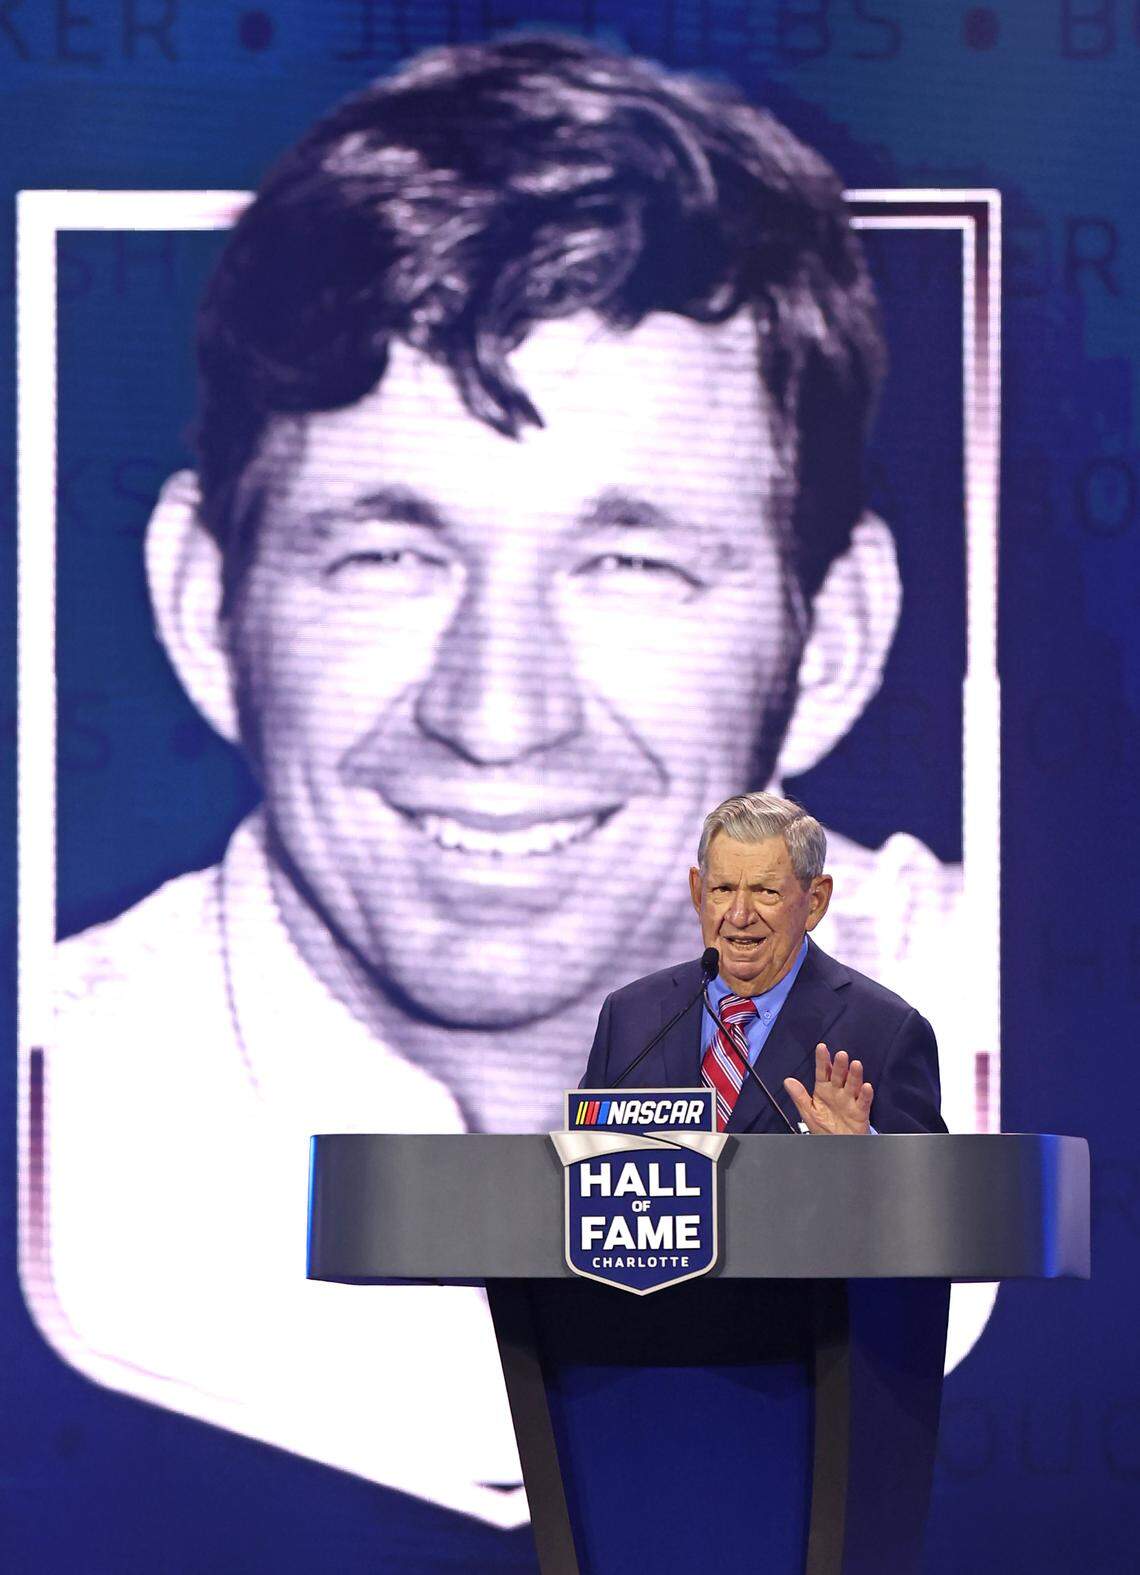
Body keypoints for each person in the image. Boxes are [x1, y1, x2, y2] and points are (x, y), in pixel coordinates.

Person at [33, 36, 976, 1528]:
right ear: (202, 606)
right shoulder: (47, 1117)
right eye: (389, 553)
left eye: (632, 563)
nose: (495, 715)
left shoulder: (1034, 1035)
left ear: (833, 643)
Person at [582, 792, 945, 1138]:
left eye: (766, 892)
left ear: (815, 901)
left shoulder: (885, 1030)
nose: (739, 915)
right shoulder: (631, 1016)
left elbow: (929, 1192)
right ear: (697, 892)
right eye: (722, 889)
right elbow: (583, 1168)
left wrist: (863, 1152)